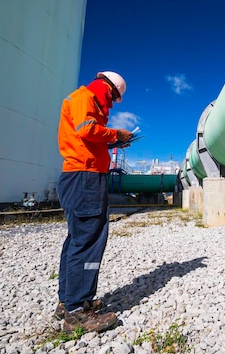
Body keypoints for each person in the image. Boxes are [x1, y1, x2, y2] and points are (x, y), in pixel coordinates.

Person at [54, 71, 133, 333]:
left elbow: (86, 136)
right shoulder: (85, 97)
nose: (111, 104)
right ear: (107, 89)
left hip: (82, 176)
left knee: (78, 239)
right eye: (113, 98)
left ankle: (69, 301)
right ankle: (77, 312)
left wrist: (114, 141)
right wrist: (115, 134)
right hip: (84, 177)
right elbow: (85, 129)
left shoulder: (84, 100)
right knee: (88, 241)